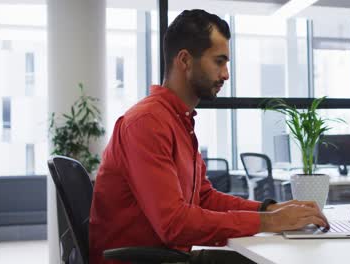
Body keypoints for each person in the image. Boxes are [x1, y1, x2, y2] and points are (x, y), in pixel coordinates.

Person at [89, 9, 329, 264]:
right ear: (185, 60)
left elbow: (204, 198)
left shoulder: (178, 120)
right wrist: (268, 222)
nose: (226, 74)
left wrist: (268, 209)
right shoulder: (147, 123)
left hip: (167, 256)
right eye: (219, 61)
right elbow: (174, 224)